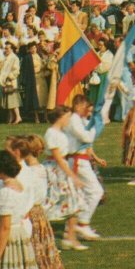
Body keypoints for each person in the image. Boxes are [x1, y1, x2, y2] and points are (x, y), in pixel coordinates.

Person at [43, 106, 88, 250]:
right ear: (60, 118)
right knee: (51, 203)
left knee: (75, 201)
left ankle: (70, 238)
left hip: (62, 168)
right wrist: (73, 176)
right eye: (67, 117)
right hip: (56, 171)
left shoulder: (61, 132)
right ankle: (42, 240)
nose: (69, 120)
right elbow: (58, 158)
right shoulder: (51, 133)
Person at [65, 95, 106, 238]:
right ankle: (82, 223)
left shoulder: (80, 119)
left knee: (80, 194)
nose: (86, 109)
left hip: (81, 159)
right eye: (84, 106)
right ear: (77, 106)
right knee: (95, 191)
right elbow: (87, 138)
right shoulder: (73, 120)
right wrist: (95, 127)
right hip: (77, 160)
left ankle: (76, 224)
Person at [0, 42, 22, 124]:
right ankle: (11, 117)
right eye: (5, 48)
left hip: (11, 81)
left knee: (13, 100)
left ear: (12, 49)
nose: (6, 50)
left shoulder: (14, 58)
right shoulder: (6, 57)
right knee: (8, 101)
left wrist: (9, 76)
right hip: (5, 80)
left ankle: (18, 117)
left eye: (8, 48)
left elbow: (16, 70)